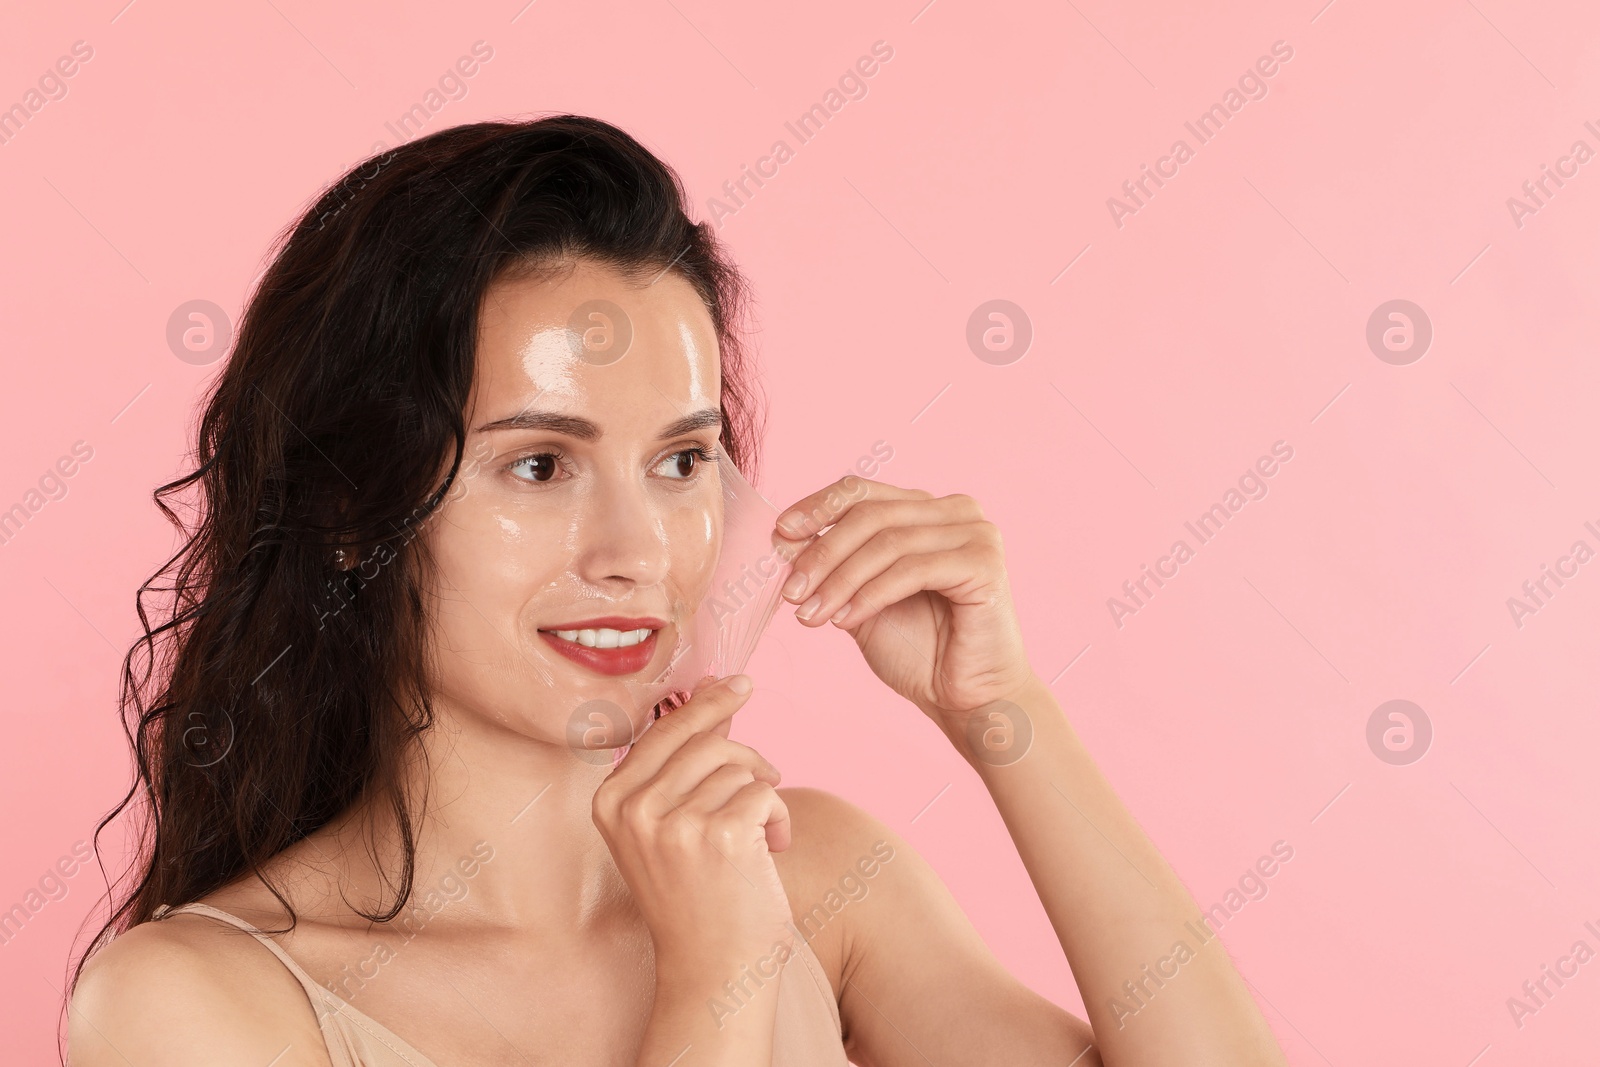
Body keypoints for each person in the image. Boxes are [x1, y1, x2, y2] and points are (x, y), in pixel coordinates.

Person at [66, 115, 1289, 1066]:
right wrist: (717, 983)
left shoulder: (817, 872)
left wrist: (1002, 710)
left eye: (681, 460)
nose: (637, 546)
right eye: (539, 464)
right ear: (349, 515)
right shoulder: (193, 1000)